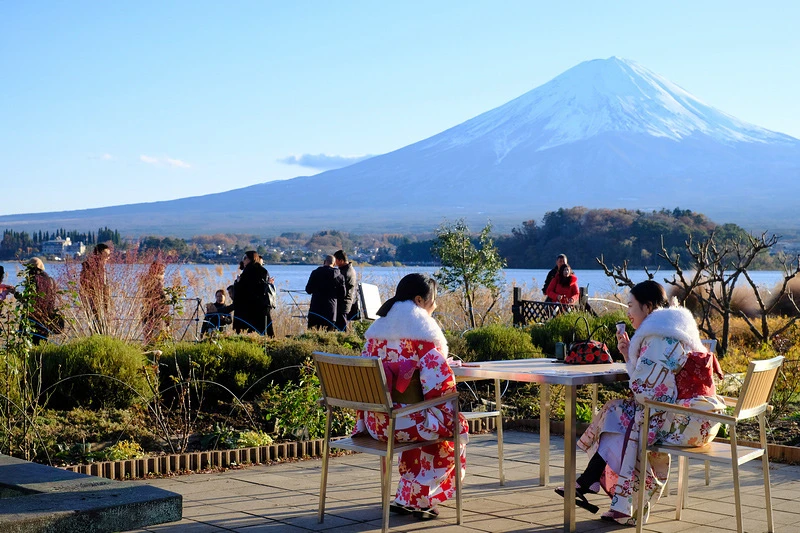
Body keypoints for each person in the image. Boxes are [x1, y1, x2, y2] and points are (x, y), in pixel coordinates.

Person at [558, 280, 725, 526]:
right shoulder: (672, 328)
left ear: (647, 307)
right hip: (700, 416)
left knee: (625, 419)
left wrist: (631, 360)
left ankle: (610, 494)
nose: (628, 312)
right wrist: (629, 355)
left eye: (631, 306)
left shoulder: (657, 338)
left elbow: (646, 392)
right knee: (620, 414)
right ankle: (596, 485)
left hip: (686, 422)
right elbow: (654, 385)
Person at [353, 273, 468, 519]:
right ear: (419, 300)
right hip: (402, 424)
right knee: (451, 425)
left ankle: (406, 497)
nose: (435, 305)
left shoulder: (375, 336)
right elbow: (441, 389)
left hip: (375, 423)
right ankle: (422, 499)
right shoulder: (424, 337)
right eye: (433, 300)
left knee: (422, 417)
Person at [23, 257, 61, 344]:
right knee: (43, 338)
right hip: (46, 314)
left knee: (32, 340)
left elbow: (28, 298)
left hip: (34, 315)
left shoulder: (33, 280)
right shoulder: (49, 279)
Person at [233, 250, 269, 334]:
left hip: (246, 306)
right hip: (261, 306)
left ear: (250, 259)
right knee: (259, 330)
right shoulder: (263, 271)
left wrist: (237, 282)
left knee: (245, 329)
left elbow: (243, 290)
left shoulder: (248, 271)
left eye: (245, 258)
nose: (243, 260)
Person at [305, 255, 345, 331]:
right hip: (331, 310)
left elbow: (308, 290)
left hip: (316, 308)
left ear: (324, 262)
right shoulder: (340, 276)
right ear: (334, 264)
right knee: (328, 334)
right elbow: (342, 294)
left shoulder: (315, 273)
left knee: (312, 333)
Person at [80, 243, 112, 334]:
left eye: (109, 255)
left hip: (102, 300)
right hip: (94, 300)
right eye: (106, 255)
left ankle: (102, 337)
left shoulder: (101, 267)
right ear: (99, 254)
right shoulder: (90, 267)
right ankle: (98, 337)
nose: (108, 258)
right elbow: (85, 284)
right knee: (97, 323)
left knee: (103, 324)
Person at [141, 261, 168, 344]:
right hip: (157, 314)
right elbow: (164, 300)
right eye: (162, 272)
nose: (164, 275)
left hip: (147, 313)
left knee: (148, 338)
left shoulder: (146, 281)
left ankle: (148, 348)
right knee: (158, 339)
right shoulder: (158, 283)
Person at [334, 249, 358, 330]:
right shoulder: (348, 269)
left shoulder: (346, 272)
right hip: (345, 302)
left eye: (336, 260)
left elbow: (342, 289)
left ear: (341, 260)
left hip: (343, 303)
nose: (334, 263)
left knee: (341, 326)